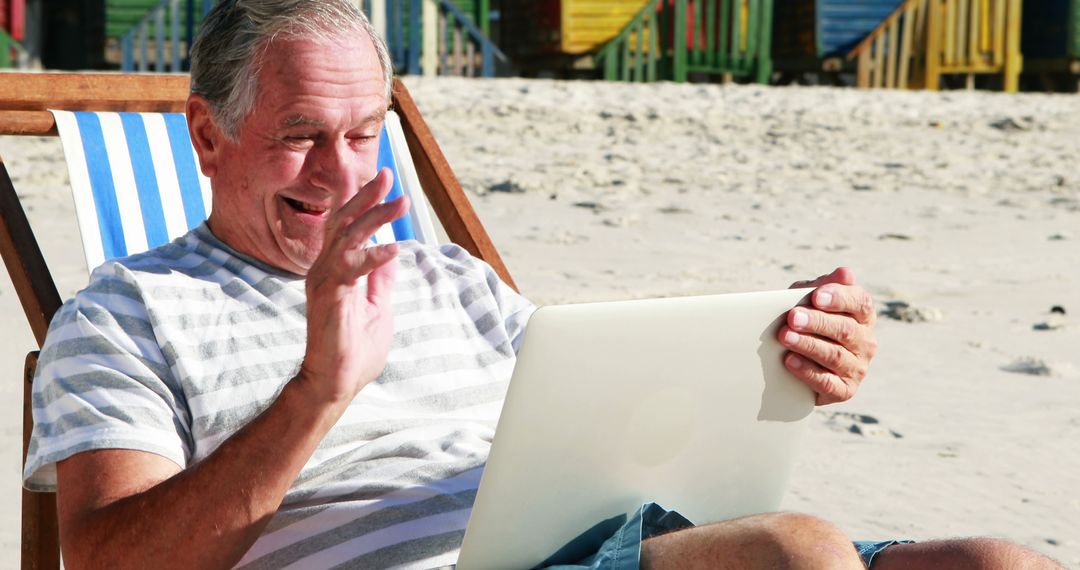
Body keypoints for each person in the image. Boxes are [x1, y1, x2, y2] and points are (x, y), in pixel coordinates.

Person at [21, 1, 1062, 569]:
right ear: (208, 137)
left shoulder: (445, 275)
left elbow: (603, 423)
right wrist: (319, 390)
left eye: (364, 135)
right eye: (300, 138)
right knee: (796, 557)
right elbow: (114, 568)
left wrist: (781, 358)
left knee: (999, 568)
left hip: (607, 546)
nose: (341, 176)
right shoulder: (123, 316)